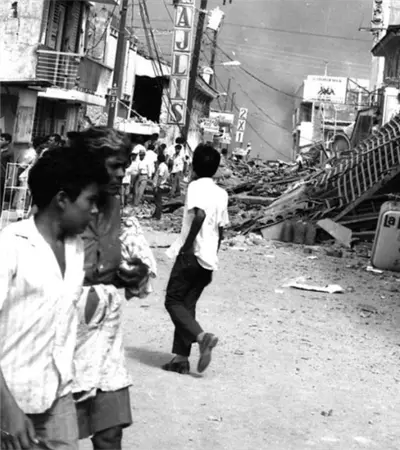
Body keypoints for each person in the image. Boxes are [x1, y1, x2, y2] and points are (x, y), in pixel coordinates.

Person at [0, 145, 109, 450]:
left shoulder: (75, 248)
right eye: (90, 201)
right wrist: (7, 409)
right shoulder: (12, 245)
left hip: (56, 397)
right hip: (9, 400)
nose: (95, 210)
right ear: (62, 199)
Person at [69, 127, 151, 450]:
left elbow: (106, 264)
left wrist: (129, 274)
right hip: (65, 330)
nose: (122, 173)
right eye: (115, 165)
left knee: (110, 432)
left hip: (105, 332)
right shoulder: (62, 204)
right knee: (55, 433)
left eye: (125, 165)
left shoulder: (114, 205)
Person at [162, 144, 229, 374]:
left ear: (194, 166)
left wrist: (187, 246)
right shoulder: (222, 194)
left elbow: (199, 215)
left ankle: (202, 338)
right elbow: (221, 230)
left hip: (192, 254)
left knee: (172, 301)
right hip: (208, 258)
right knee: (186, 306)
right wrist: (214, 253)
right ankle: (180, 359)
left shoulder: (195, 186)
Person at [151, 153, 170, 221]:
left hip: (159, 186)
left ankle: (158, 216)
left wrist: (157, 186)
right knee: (157, 201)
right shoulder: (164, 166)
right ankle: (155, 214)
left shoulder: (162, 166)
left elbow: (160, 177)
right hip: (160, 185)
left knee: (158, 202)